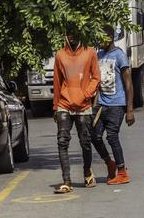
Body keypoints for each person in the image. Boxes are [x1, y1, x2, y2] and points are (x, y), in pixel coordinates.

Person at [52, 34, 100, 194]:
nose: (72, 36)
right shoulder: (60, 55)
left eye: (75, 32)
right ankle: (67, 181)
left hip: (83, 106)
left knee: (85, 141)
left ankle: (87, 173)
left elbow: (96, 77)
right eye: (68, 32)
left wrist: (87, 94)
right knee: (62, 141)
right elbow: (57, 82)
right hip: (64, 104)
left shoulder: (90, 52)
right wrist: (55, 107)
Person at [92, 27, 133, 185]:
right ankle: (110, 163)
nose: (99, 41)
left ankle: (122, 172)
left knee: (112, 136)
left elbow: (128, 84)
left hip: (117, 104)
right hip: (101, 104)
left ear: (109, 37)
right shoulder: (99, 56)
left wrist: (129, 110)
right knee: (94, 135)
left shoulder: (119, 55)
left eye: (101, 38)